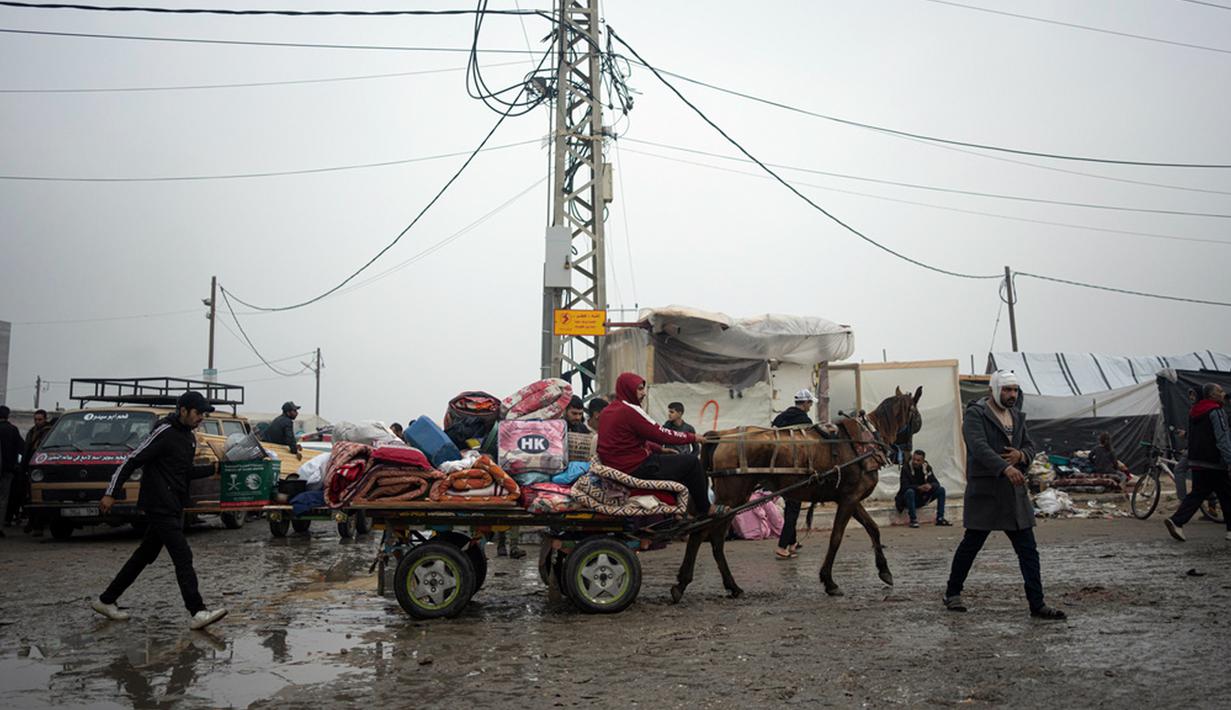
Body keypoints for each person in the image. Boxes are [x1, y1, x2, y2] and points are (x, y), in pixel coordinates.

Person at [92, 391, 228, 630]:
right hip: (159, 503)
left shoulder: (188, 437)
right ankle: (197, 611)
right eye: (198, 413)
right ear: (183, 410)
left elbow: (184, 472)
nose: (200, 418)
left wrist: (215, 468)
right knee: (182, 555)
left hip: (173, 504)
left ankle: (106, 600)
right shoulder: (164, 432)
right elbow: (131, 459)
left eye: (203, 414)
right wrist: (111, 493)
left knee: (144, 555)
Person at [943, 371, 1066, 620]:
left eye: (1015, 390)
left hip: (1013, 492)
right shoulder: (976, 414)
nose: (1012, 395)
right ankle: (952, 592)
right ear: (994, 389)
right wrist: (1005, 468)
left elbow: (1030, 445)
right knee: (971, 545)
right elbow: (978, 447)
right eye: (1007, 390)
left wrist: (1021, 457)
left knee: (1028, 550)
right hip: (986, 491)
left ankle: (1037, 604)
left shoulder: (1017, 416)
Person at [597, 373, 715, 517]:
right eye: (639, 389)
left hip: (619, 467)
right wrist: (693, 437)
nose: (643, 393)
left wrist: (660, 449)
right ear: (628, 389)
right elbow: (661, 433)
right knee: (692, 463)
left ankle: (678, 512)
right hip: (634, 468)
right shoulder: (629, 410)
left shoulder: (608, 411)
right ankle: (705, 509)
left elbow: (629, 440)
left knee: (677, 463)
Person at [1164, 383, 1231, 543]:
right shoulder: (1217, 411)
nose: (1223, 393)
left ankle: (1177, 521)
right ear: (1211, 395)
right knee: (1227, 494)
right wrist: (1229, 460)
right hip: (1214, 461)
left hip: (1197, 460)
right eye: (1219, 391)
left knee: (1198, 493)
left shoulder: (1194, 412)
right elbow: (1222, 438)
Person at [771, 390, 818, 560]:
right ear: (804, 403)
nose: (810, 406)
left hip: (778, 468)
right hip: (795, 469)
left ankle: (792, 543)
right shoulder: (805, 421)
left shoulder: (780, 418)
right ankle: (782, 547)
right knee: (793, 508)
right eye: (810, 403)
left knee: (791, 505)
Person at [895, 450, 950, 528]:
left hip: (923, 497)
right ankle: (913, 520)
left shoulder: (926, 468)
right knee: (910, 492)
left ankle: (940, 518)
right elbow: (904, 487)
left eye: (918, 460)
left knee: (941, 490)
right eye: (914, 459)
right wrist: (918, 487)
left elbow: (936, 483)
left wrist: (930, 486)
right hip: (909, 498)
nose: (915, 462)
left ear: (923, 461)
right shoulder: (906, 468)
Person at [0, 406, 25, 535]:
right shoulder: (12, 430)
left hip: (7, 469)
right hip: (7, 470)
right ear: (8, 415)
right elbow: (22, 448)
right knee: (3, 499)